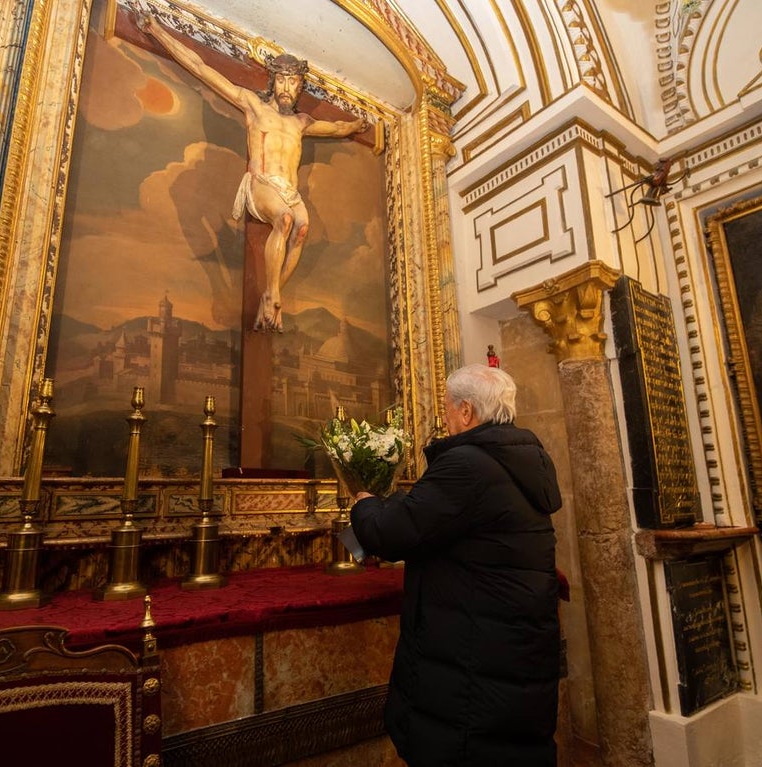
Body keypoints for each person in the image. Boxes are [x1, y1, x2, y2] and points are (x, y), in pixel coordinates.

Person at [350, 363, 563, 766]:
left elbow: (393, 534)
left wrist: (365, 504)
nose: (444, 416)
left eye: (447, 407)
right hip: (508, 654)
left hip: (472, 665)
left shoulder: (467, 464)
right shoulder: (521, 459)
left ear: (466, 412)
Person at [133, 4, 366, 331]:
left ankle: (271, 295)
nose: (287, 88)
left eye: (294, 83)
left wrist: (358, 124)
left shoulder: (302, 122)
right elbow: (201, 68)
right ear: (274, 82)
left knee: (300, 229)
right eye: (283, 81)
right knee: (284, 221)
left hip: (290, 190)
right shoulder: (253, 106)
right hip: (262, 184)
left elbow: (337, 128)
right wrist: (156, 31)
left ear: (300, 88)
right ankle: (273, 297)